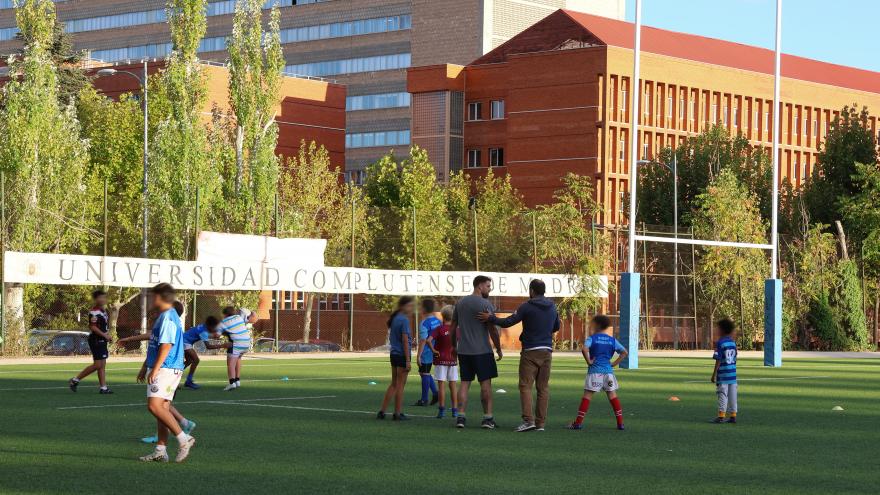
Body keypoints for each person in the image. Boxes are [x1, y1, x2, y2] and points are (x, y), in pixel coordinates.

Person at [478, 279, 560, 432]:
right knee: (543, 388)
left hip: (530, 351)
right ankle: (540, 424)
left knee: (525, 385)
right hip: (547, 351)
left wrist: (490, 318)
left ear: (532, 291)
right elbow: (556, 326)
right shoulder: (552, 307)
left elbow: (508, 322)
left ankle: (528, 420)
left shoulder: (527, 306)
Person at [137, 283, 196, 463]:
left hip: (166, 368)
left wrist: (154, 369)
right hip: (166, 367)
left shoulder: (168, 317)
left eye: (153, 296)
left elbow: (167, 345)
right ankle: (160, 451)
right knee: (161, 409)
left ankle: (184, 439)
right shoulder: (165, 316)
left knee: (154, 406)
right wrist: (145, 366)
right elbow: (156, 343)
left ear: (160, 297)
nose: (151, 300)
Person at [450, 275, 503, 429]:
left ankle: (460, 417)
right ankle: (487, 419)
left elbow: (452, 327)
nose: (489, 289)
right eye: (488, 286)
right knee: (485, 385)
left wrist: (453, 346)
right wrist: (498, 348)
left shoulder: (460, 303)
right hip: (482, 351)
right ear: (479, 286)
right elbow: (492, 328)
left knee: (465, 383)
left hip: (464, 350)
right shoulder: (485, 304)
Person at [566, 315, 627, 431]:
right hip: (608, 373)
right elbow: (624, 352)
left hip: (595, 372)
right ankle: (620, 424)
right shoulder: (612, 340)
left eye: (592, 324)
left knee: (587, 396)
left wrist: (589, 361)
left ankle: (578, 423)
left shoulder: (592, 338)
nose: (591, 326)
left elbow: (584, 349)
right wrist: (614, 363)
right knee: (613, 396)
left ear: (597, 325)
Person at [377, 296, 415, 421]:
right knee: (400, 385)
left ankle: (382, 411)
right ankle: (397, 413)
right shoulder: (404, 320)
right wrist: (408, 360)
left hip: (394, 354)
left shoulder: (395, 319)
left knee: (394, 384)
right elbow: (405, 340)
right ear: (403, 306)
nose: (412, 308)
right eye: (410, 305)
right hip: (402, 355)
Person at [69, 290, 113, 394]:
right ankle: (75, 380)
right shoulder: (94, 312)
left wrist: (107, 335)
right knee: (98, 365)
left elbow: (102, 326)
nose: (103, 299)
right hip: (96, 340)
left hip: (102, 339)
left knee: (102, 364)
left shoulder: (103, 311)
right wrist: (104, 335)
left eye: (104, 297)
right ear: (96, 299)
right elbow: (93, 327)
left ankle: (103, 388)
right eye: (100, 297)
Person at [426, 304, 458, 419]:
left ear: (443, 316)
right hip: (453, 360)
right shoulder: (456, 330)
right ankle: (455, 410)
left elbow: (428, 340)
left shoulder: (439, 329)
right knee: (453, 385)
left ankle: (442, 411)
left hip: (440, 360)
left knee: (441, 386)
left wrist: (434, 350)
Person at [181, 316, 222, 389]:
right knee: (196, 360)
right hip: (185, 342)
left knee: (189, 361)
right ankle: (188, 381)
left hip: (185, 340)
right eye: (214, 327)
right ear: (210, 326)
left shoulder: (204, 326)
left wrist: (213, 336)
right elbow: (208, 346)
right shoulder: (204, 332)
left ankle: (176, 375)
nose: (215, 329)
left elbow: (203, 335)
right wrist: (223, 345)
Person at [217, 306, 252, 391]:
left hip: (237, 343)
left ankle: (231, 383)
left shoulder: (223, 322)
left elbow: (217, 336)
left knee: (231, 363)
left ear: (225, 314)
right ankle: (237, 380)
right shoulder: (239, 317)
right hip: (247, 343)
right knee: (238, 358)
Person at [414, 298, 441, 407]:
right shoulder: (437, 321)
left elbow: (423, 340)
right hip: (435, 350)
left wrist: (418, 355)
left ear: (424, 309)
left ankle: (424, 399)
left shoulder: (424, 323)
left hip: (427, 352)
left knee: (424, 373)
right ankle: (435, 394)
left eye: (420, 307)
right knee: (424, 372)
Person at [711, 318, 738, 424]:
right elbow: (735, 357)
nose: (716, 330)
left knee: (722, 393)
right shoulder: (732, 343)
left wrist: (714, 374)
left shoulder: (720, 343)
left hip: (723, 374)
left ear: (722, 330)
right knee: (733, 395)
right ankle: (733, 416)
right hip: (733, 374)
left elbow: (718, 359)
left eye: (717, 328)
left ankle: (721, 416)